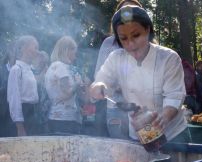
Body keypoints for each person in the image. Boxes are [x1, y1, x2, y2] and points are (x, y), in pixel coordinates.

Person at [90, 6, 188, 143]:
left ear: (147, 30)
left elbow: (174, 95)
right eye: (123, 38)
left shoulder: (168, 58)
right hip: (141, 134)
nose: (130, 44)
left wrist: (162, 118)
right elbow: (100, 81)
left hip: (173, 134)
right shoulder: (116, 58)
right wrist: (99, 86)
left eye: (136, 35)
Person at [94, 0, 143, 139]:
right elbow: (99, 74)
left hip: (142, 110)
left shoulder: (148, 44)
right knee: (121, 154)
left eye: (133, 10)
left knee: (143, 151)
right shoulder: (109, 43)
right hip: (116, 108)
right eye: (124, 11)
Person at [45, 36, 84, 135]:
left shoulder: (54, 66)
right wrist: (78, 83)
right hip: (64, 119)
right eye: (74, 51)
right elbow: (67, 92)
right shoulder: (60, 66)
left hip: (57, 117)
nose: (76, 54)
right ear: (66, 50)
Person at [7, 35, 39, 136]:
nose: (37, 51)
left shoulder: (30, 69)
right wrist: (20, 126)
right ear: (25, 48)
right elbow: (14, 99)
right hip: (24, 114)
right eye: (35, 47)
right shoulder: (16, 69)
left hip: (33, 114)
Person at [0, 41, 17, 137]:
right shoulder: (1, 70)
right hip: (2, 113)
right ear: (9, 51)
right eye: (13, 50)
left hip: (17, 114)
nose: (15, 53)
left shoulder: (21, 69)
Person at [32, 51, 50, 134]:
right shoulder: (30, 70)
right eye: (41, 61)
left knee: (45, 130)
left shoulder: (48, 71)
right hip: (34, 107)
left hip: (46, 107)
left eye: (45, 61)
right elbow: (36, 81)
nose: (43, 63)